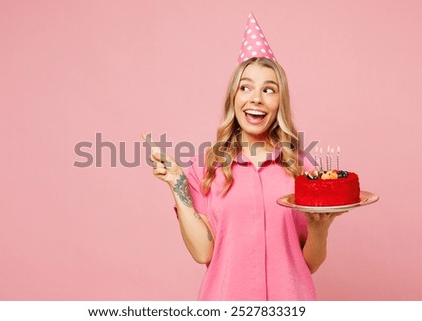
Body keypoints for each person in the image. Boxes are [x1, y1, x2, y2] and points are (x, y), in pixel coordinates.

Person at [145, 13, 341, 300]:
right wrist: (177, 185)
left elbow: (309, 263)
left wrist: (320, 228)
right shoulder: (204, 167)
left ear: (279, 103)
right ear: (233, 98)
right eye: (245, 87)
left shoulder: (301, 168)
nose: (256, 98)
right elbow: (202, 251)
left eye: (268, 90)